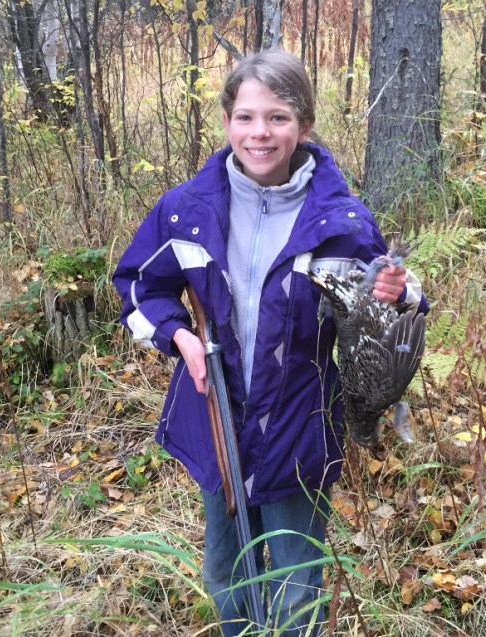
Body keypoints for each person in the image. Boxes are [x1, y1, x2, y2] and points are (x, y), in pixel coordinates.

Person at [113, 50, 428, 636]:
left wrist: (394, 291)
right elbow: (137, 284)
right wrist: (178, 334)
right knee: (226, 570)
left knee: (295, 579)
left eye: (278, 118)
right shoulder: (186, 212)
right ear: (228, 120)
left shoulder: (342, 222)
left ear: (304, 125)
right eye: (246, 117)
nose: (260, 133)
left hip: (299, 426)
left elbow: (393, 303)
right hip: (216, 419)